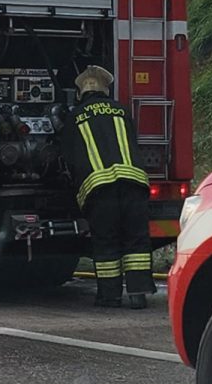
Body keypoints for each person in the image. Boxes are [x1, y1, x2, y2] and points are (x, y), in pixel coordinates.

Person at [61, 66, 155, 309]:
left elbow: (68, 155)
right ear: (105, 90)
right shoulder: (122, 111)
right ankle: (138, 294)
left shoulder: (75, 117)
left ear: (81, 93)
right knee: (137, 240)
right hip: (134, 183)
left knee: (106, 242)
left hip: (99, 189)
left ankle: (109, 296)